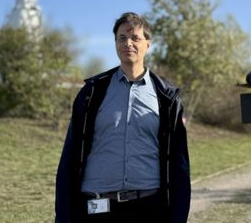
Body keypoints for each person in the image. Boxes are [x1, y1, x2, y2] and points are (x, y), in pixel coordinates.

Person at [55, 12, 190, 223]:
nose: (128, 43)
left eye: (135, 38)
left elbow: (179, 162)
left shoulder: (167, 98)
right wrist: (63, 215)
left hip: (149, 207)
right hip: (97, 206)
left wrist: (179, 216)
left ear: (148, 44)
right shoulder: (91, 93)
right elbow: (70, 156)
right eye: (121, 38)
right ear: (115, 43)